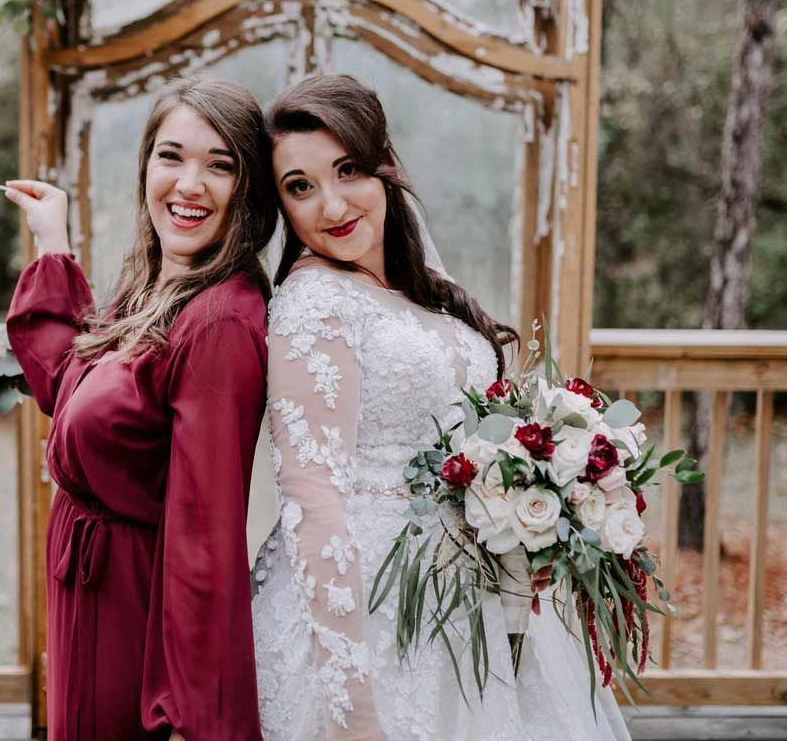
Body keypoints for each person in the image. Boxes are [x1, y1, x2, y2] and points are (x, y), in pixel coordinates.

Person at [250, 74, 631, 740]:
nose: (332, 203)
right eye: (300, 186)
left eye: (347, 170)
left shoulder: (422, 287)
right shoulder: (314, 304)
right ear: (280, 205)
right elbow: (313, 495)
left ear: (383, 166)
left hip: (472, 586)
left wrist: (536, 486)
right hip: (373, 599)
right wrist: (350, 694)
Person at [4, 75, 276, 741]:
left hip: (135, 610)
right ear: (146, 166)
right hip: (87, 590)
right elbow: (69, 391)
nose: (189, 184)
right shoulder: (160, 281)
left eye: (221, 165)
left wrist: (184, 714)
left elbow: (204, 534)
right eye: (172, 156)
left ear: (249, 188)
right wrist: (53, 245)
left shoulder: (220, 322)